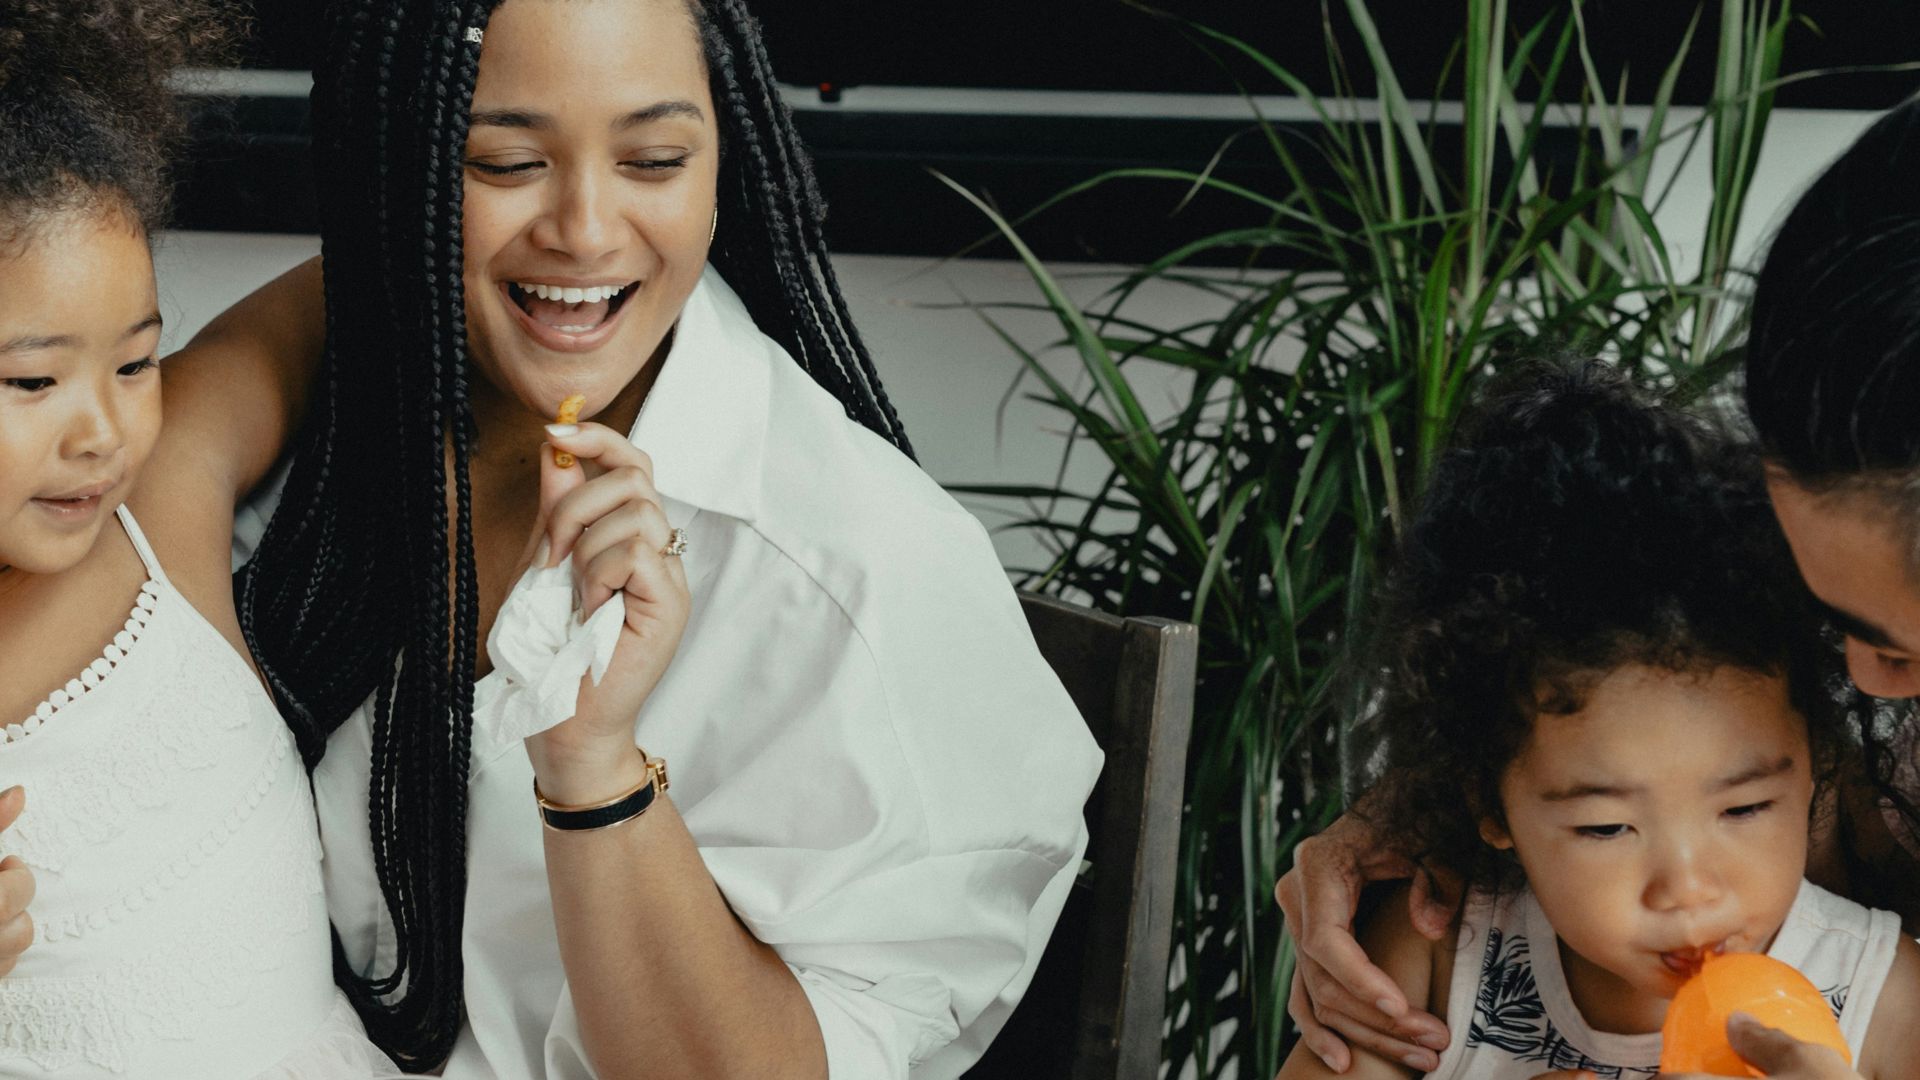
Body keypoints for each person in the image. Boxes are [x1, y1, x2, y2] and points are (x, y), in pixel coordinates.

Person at [79, 0, 1100, 1076]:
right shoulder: (321, 442)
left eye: (655, 160)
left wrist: (594, 768)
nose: (585, 228)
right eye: (507, 163)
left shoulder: (858, 580)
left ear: (727, 160)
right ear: (401, 163)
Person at [1276, 95, 1920, 1080]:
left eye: (1904, 643)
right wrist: (1428, 811)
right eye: (1852, 635)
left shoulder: (1885, 996)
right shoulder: (1445, 942)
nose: (1874, 691)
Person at [0, 1, 403, 1075]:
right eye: (32, 381)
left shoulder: (156, 509)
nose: (104, 430)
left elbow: (363, 279)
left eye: (135, 362)